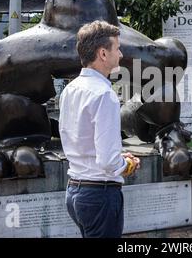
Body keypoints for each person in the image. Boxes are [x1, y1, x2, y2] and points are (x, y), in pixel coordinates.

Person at [59, 20, 140, 238]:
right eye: (117, 48)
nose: (121, 54)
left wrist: (118, 157)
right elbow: (107, 162)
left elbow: (80, 141)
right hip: (99, 195)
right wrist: (128, 163)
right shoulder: (105, 95)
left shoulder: (70, 90)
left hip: (74, 191)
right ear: (103, 54)